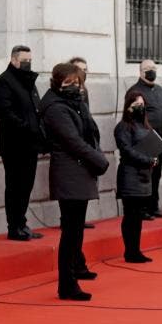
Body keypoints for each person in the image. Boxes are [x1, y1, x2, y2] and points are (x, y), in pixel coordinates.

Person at [40, 63, 109, 301]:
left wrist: (96, 155)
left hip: (81, 170)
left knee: (77, 230)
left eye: (78, 82)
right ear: (57, 82)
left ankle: (74, 275)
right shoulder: (55, 109)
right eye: (69, 82)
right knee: (70, 232)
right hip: (69, 171)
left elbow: (90, 132)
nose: (75, 86)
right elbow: (72, 141)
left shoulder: (76, 103)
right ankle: (67, 285)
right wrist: (99, 160)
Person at [0, 45, 46, 241]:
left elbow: (37, 109)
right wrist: (27, 127)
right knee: (15, 186)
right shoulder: (4, 82)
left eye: (30, 60)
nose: (28, 63)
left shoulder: (28, 81)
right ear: (14, 60)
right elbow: (4, 113)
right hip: (14, 145)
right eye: (25, 60)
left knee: (26, 185)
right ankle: (14, 226)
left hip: (31, 144)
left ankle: (22, 224)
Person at [113, 91, 157, 263]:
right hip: (130, 175)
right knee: (131, 215)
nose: (140, 107)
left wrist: (154, 157)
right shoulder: (123, 127)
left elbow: (152, 145)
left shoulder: (145, 125)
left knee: (138, 216)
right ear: (128, 107)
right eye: (135, 105)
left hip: (145, 175)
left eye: (142, 104)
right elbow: (127, 150)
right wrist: (147, 160)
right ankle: (130, 251)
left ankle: (136, 250)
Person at [128, 60, 162, 219]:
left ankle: (154, 206)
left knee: (157, 174)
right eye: (147, 69)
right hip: (146, 139)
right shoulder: (135, 91)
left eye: (153, 68)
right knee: (146, 174)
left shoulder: (160, 89)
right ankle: (143, 209)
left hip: (160, 139)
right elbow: (132, 116)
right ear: (140, 72)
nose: (151, 71)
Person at [69, 57, 100, 229]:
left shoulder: (84, 91)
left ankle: (80, 218)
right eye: (80, 69)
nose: (83, 73)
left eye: (85, 70)